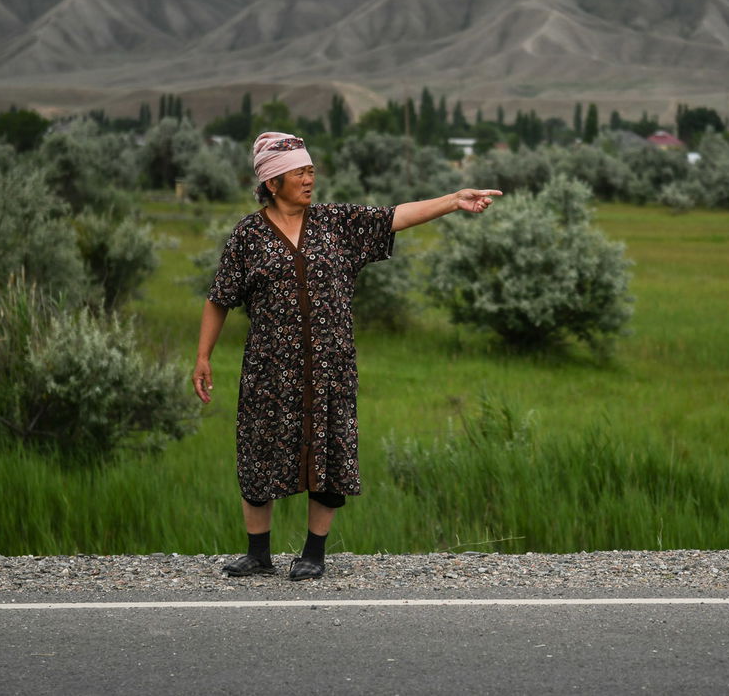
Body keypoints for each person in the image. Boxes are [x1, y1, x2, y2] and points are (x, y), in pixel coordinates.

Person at [193, 131, 501, 581]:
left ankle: (313, 553)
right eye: (298, 171)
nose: (309, 177)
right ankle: (258, 554)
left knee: (329, 456)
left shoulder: (338, 223)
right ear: (272, 182)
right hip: (268, 370)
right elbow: (219, 298)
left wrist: (454, 200)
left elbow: (395, 216)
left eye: (310, 169)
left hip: (330, 370)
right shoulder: (248, 236)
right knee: (258, 455)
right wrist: (203, 357)